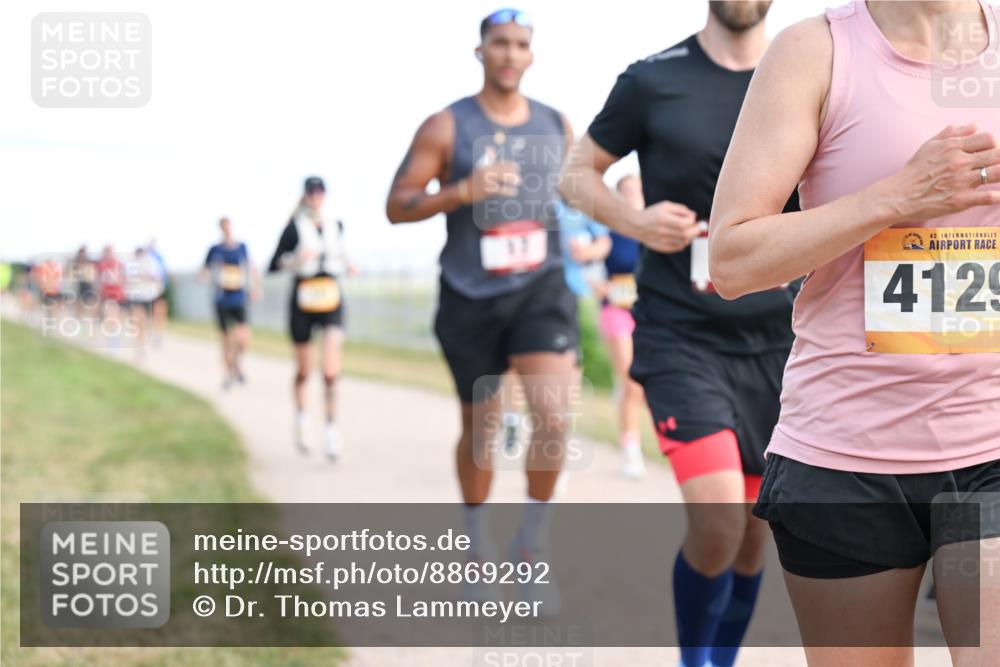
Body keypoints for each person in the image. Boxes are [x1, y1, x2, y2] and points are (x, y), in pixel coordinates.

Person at [709, 1, 999, 664]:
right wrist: (895, 198)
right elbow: (732, 260)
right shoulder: (814, 52)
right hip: (844, 454)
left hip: (989, 437)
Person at [560, 2, 799, 664]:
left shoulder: (806, 73)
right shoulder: (652, 78)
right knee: (718, 522)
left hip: (781, 344)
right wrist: (632, 223)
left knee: (754, 536)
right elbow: (575, 175)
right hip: (681, 336)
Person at [386, 8, 576, 610]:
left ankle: (531, 544)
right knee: (481, 433)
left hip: (540, 288)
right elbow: (397, 205)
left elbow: (579, 193)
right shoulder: (447, 126)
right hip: (470, 295)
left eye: (521, 44)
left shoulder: (555, 124)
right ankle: (474, 542)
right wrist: (463, 191)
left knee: (554, 417)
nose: (511, 54)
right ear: (481, 51)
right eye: (500, 43)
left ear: (532, 54)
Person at [269, 176, 350, 461]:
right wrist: (296, 260)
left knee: (330, 370)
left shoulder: (335, 225)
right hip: (303, 298)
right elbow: (274, 264)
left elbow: (341, 256)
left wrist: (349, 265)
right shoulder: (293, 228)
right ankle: (303, 418)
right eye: (311, 192)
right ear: (305, 196)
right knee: (305, 370)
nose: (316, 197)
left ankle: (331, 429)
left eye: (320, 192)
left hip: (330, 296)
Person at [597, 175, 647, 479]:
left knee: (644, 384)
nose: (631, 196)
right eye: (625, 192)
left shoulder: (655, 232)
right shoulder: (611, 233)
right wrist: (599, 285)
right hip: (616, 310)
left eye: (636, 191)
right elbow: (587, 260)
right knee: (630, 381)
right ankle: (631, 449)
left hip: (648, 312)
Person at [201, 217, 261, 389]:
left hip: (239, 297)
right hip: (221, 299)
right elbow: (204, 269)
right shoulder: (214, 250)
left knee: (243, 338)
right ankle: (227, 374)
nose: (227, 230)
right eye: (223, 228)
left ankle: (237, 364)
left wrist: (256, 287)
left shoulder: (242, 247)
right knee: (226, 340)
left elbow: (251, 267)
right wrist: (203, 276)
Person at [125, 246, 163, 354]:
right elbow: (128, 279)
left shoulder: (151, 262)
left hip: (149, 295)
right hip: (137, 296)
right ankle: (140, 345)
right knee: (139, 320)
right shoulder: (131, 263)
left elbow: (156, 278)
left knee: (149, 319)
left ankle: (152, 336)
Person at [147, 239, 169, 345]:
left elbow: (163, 273)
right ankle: (154, 332)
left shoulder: (159, 257)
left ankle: (158, 333)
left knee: (159, 310)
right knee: (152, 312)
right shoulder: (147, 257)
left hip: (158, 287)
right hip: (149, 289)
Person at [71, 245, 99, 319]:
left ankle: (92, 318)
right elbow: (74, 275)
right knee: (79, 302)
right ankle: (78, 317)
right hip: (80, 285)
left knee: (91, 302)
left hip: (88, 285)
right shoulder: (76, 262)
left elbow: (92, 275)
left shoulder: (89, 261)